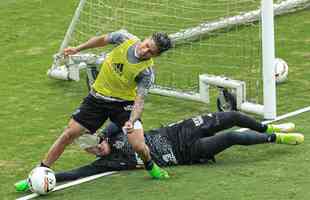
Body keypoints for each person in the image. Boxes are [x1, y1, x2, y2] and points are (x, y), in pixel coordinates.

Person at [16, 29, 172, 192]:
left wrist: (131, 121)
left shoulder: (146, 73)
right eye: (147, 45)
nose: (145, 50)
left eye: (150, 52)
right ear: (145, 38)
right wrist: (77, 49)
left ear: (155, 56)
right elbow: (100, 40)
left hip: (123, 104)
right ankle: (35, 176)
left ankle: (150, 165)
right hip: (97, 99)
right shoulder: (124, 38)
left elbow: (139, 102)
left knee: (139, 146)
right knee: (69, 133)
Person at [15, 111, 304, 189]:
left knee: (230, 115)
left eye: (98, 144)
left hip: (179, 130)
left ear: (100, 138)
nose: (99, 150)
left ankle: (268, 129)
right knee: (233, 137)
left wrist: (103, 133)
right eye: (94, 151)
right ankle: (275, 140)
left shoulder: (114, 132)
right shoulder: (107, 163)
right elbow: (75, 173)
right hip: (186, 154)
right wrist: (36, 177)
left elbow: (118, 118)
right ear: (91, 154)